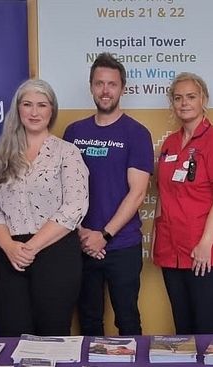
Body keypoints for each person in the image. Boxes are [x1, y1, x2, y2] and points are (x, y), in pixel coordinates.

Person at [0, 79, 89, 337]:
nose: (34, 112)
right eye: (27, 104)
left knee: (52, 333)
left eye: (42, 105)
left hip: (55, 254)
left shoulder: (67, 152)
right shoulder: (1, 153)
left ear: (52, 110)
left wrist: (31, 247)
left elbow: (75, 207)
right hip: (11, 256)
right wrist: (9, 247)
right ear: (17, 109)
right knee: (12, 333)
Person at [63, 53, 154, 336]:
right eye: (100, 83)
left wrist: (103, 235)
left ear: (122, 88)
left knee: (127, 320)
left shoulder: (136, 133)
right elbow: (64, 190)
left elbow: (137, 193)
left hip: (121, 245)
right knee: (88, 322)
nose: (105, 90)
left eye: (112, 84)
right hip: (80, 244)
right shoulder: (73, 132)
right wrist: (82, 233)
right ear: (91, 87)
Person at [153, 72, 213, 335]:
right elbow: (163, 193)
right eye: (178, 98)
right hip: (172, 251)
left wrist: (205, 243)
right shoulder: (170, 143)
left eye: (191, 97)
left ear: (203, 100)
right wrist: (156, 233)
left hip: (204, 252)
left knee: (206, 330)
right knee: (183, 331)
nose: (184, 103)